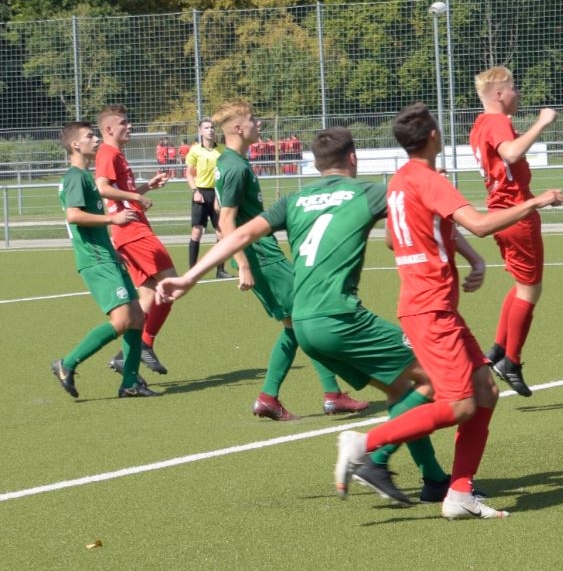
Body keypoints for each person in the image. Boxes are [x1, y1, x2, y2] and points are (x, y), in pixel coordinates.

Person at [161, 128, 458, 507]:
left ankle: (434, 480)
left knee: (399, 388)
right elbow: (408, 214)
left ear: (316, 165)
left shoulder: (295, 199)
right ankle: (372, 454)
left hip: (303, 324)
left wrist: (189, 277)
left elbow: (237, 235)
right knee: (435, 378)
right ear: (353, 158)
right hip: (341, 317)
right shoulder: (366, 192)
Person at [374, 103, 563, 518]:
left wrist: (457, 248)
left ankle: (459, 493)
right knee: (460, 404)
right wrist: (536, 202)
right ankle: (367, 447)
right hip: (429, 307)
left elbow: (391, 239)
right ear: (434, 137)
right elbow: (478, 224)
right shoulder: (430, 180)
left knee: (485, 391)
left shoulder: (399, 180)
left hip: (433, 304)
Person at [212, 101, 369, 420]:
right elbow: (225, 220)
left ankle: (282, 397)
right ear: (238, 128)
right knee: (307, 318)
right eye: (253, 119)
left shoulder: (232, 162)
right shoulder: (234, 167)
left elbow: (221, 211)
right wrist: (243, 264)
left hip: (263, 254)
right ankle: (322, 394)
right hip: (260, 258)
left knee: (298, 324)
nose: (258, 124)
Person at [50, 121, 158, 399]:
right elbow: (73, 215)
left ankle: (130, 383)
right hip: (95, 260)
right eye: (90, 136)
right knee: (122, 320)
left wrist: (112, 247)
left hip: (106, 255)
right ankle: (67, 363)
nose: (96, 140)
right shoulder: (75, 177)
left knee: (137, 317)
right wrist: (113, 219)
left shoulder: (85, 177)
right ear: (75, 145)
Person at [469, 66, 558, 397]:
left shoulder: (479, 124)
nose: (517, 93)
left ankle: (497, 349)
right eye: (513, 88)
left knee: (521, 286)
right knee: (531, 290)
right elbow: (510, 152)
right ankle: (512, 361)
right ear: (499, 94)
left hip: (501, 213)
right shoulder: (496, 122)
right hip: (517, 213)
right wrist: (542, 122)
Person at [95, 105, 178, 376]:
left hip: (130, 231)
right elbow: (103, 188)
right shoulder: (108, 153)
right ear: (109, 129)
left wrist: (146, 187)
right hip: (133, 232)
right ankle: (145, 343)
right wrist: (136, 197)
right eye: (124, 123)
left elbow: (121, 192)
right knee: (172, 284)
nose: (129, 126)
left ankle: (124, 358)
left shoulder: (117, 154)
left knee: (150, 296)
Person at [185, 119, 231, 278]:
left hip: (218, 193)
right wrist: (195, 191)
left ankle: (220, 270)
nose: (210, 130)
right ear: (200, 131)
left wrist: (222, 193)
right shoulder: (195, 150)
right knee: (197, 230)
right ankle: (192, 271)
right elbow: (189, 173)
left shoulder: (223, 150)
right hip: (201, 193)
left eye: (212, 127)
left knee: (221, 231)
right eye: (206, 128)